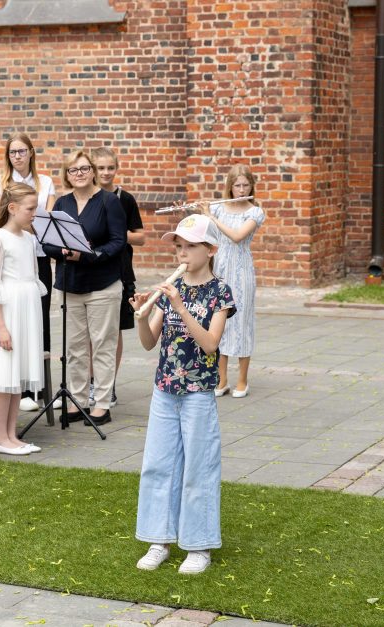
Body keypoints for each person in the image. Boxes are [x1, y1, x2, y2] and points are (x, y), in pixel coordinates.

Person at [130, 213, 235, 575]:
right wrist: (141, 315)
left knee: (198, 467)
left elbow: (209, 344)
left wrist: (179, 306)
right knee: (158, 465)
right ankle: (159, 539)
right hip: (165, 388)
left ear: (210, 249)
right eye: (179, 245)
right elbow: (148, 343)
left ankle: (199, 545)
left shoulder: (220, 292)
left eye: (190, 246)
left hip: (199, 391)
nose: (182, 253)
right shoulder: (169, 289)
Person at [42, 150, 126, 427]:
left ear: (92, 171)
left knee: (102, 346)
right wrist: (62, 251)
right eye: (73, 170)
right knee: (75, 348)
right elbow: (47, 241)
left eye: (84, 169)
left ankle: (102, 404)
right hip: (70, 284)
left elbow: (118, 243)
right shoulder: (62, 203)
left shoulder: (109, 201)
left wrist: (87, 255)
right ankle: (77, 401)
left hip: (103, 284)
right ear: (66, 175)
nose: (79, 174)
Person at [0, 132, 59, 413]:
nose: (17, 156)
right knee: (14, 320)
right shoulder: (0, 182)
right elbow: (1, 217)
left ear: (31, 152)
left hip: (38, 256)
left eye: (21, 151)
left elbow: (46, 221)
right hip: (13, 256)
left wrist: (34, 228)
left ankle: (40, 386)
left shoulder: (46, 182)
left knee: (39, 318)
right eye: (12, 152)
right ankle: (22, 388)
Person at [0, 182, 45, 456]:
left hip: (26, 313)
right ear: (13, 208)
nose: (34, 214)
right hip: (8, 316)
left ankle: (12, 434)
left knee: (17, 376)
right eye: (30, 209)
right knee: (6, 375)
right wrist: (2, 328)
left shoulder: (29, 239)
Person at [203, 164, 265, 398]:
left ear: (251, 186)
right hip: (219, 268)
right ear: (230, 186)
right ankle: (222, 380)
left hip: (241, 271)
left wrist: (211, 216)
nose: (241, 189)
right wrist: (201, 213)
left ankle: (242, 380)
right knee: (219, 322)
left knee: (242, 323)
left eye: (245, 185)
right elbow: (206, 233)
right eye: (237, 185)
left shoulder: (255, 212)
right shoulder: (218, 208)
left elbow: (238, 237)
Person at [92, 147, 145, 407]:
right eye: (100, 168)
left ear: (116, 168)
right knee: (91, 333)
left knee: (114, 333)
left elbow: (141, 236)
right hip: (91, 270)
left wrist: (114, 234)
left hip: (120, 272)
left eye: (109, 167)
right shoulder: (85, 197)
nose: (105, 172)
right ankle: (91, 383)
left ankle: (108, 385)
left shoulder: (125, 199)